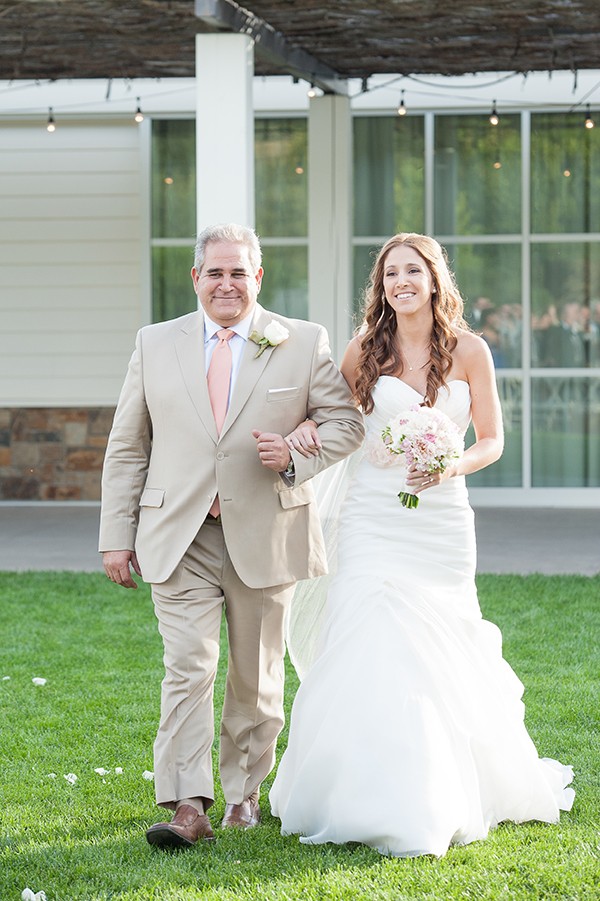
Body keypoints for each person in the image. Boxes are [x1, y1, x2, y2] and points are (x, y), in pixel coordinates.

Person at [269, 233, 574, 858]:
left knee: (444, 644)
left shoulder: (470, 351)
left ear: (435, 279)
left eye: (412, 270)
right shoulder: (363, 349)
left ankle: (443, 790)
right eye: (389, 274)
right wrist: (301, 433)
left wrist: (451, 465)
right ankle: (356, 791)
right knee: (368, 635)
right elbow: (329, 415)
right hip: (372, 520)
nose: (400, 282)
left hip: (439, 523)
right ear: (380, 287)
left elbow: (491, 439)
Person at [98, 223, 364, 849]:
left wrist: (297, 450)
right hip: (177, 533)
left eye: (238, 272)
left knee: (257, 673)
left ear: (258, 277)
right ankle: (187, 804)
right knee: (187, 667)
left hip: (267, 529)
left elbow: (345, 423)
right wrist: (117, 533)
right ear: (195, 278)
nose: (226, 283)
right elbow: (128, 445)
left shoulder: (300, 342)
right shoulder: (155, 343)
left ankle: (244, 792)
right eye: (214, 272)